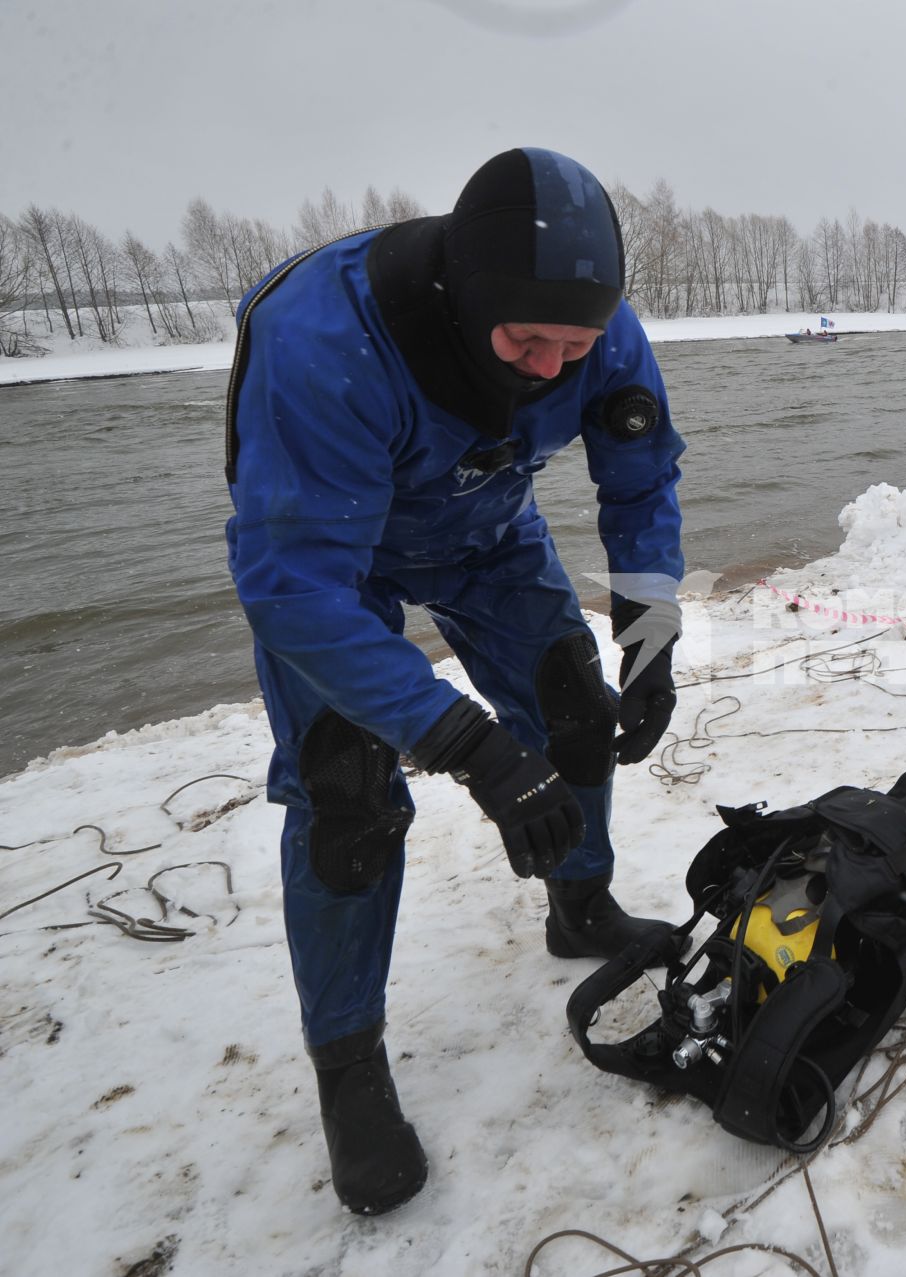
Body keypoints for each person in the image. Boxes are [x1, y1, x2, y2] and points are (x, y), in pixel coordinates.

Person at [223, 148, 686, 1216]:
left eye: (574, 348)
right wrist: (470, 746)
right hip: (335, 551)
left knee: (574, 703)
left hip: (484, 531)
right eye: (527, 343)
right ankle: (349, 1063)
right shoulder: (322, 340)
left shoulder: (596, 333)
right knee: (345, 794)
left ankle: (580, 903)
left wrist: (653, 631)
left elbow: (641, 474)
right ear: (464, 296)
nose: (549, 369)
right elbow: (292, 587)